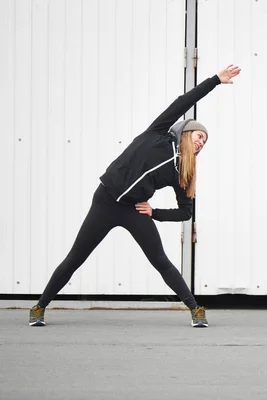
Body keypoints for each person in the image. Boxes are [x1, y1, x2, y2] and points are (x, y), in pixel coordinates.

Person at [29, 64, 241, 328]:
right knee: (76, 257)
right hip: (105, 202)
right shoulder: (157, 133)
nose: (201, 143)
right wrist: (216, 81)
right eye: (199, 136)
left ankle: (195, 309)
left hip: (133, 210)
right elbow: (185, 100)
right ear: (185, 132)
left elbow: (186, 212)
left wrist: (155, 213)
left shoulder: (183, 174)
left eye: (204, 143)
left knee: (160, 261)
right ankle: (39, 307)